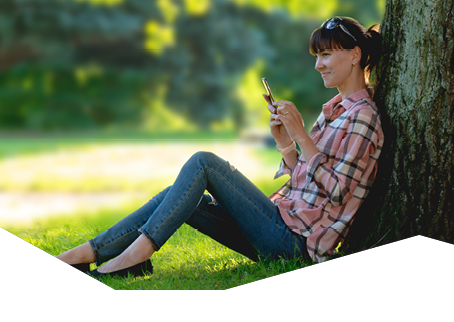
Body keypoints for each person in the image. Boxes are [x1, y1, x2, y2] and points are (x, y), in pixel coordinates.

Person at [55, 16, 388, 278]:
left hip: (296, 243)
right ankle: (88, 253)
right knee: (179, 197)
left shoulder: (363, 118)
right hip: (279, 224)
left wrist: (301, 136)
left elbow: (338, 193)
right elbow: (303, 180)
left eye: (327, 55)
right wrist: (286, 143)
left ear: (355, 55)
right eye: (318, 56)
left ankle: (138, 254)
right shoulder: (334, 109)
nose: (318, 65)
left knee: (205, 163)